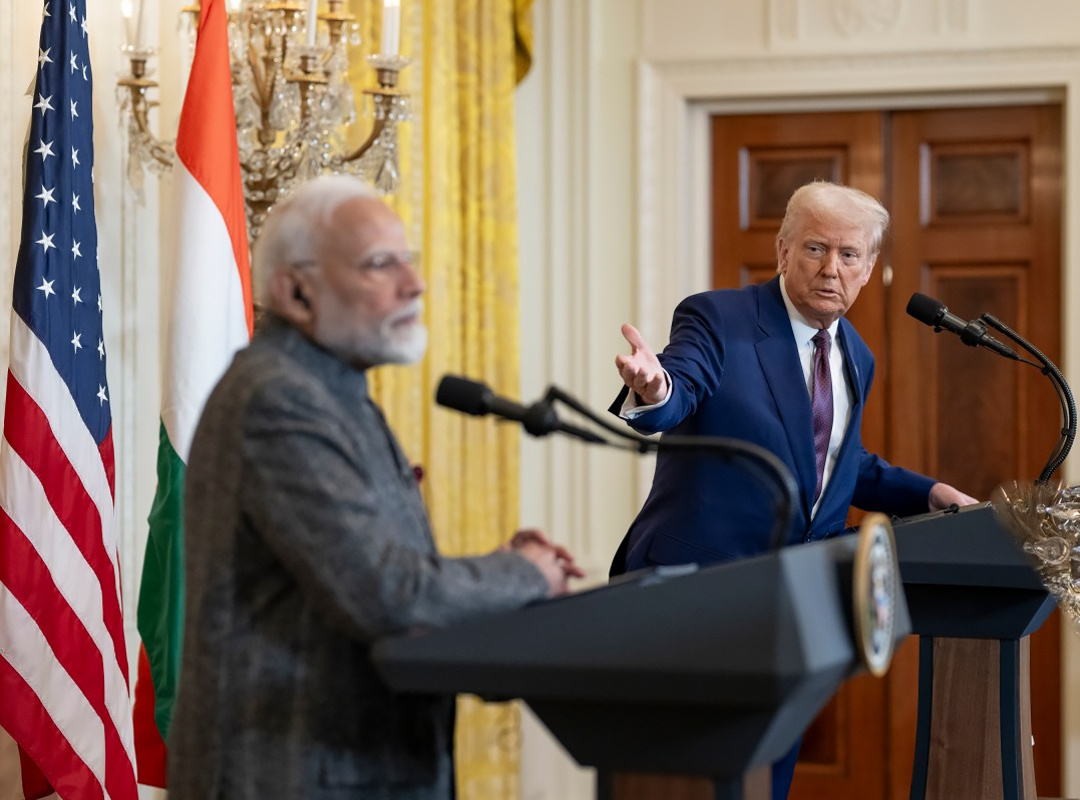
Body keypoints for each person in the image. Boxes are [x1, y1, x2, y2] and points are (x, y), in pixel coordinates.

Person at [168, 175, 583, 800]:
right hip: (294, 776)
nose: (413, 285)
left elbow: (379, 575)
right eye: (379, 265)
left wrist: (500, 574)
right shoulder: (277, 399)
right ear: (297, 290)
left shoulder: (334, 392)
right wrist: (523, 575)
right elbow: (385, 595)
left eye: (407, 262)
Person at [609, 180, 976, 799]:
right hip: (697, 593)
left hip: (796, 605)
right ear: (782, 252)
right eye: (814, 248)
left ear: (868, 269)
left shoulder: (856, 355)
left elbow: (835, 465)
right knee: (683, 783)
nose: (831, 268)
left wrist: (930, 492)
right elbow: (681, 389)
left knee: (765, 783)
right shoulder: (717, 318)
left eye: (849, 254)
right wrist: (655, 389)